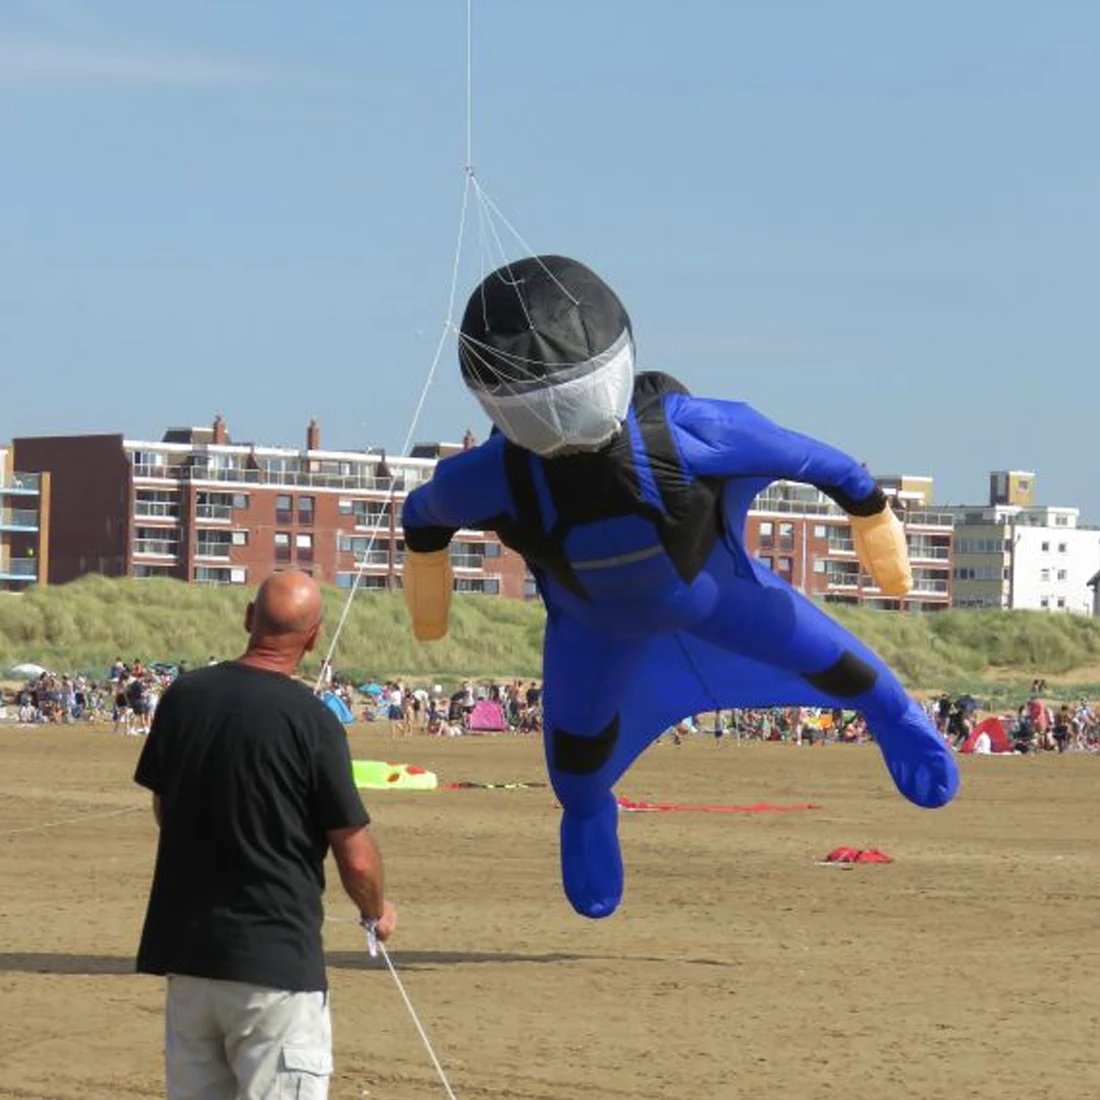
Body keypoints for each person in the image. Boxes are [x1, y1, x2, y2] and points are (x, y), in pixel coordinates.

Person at [401, 254, 958, 919]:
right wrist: (865, 510)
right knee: (576, 772)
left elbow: (424, 517)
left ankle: (894, 718)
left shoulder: (674, 433)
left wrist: (873, 518)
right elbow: (826, 465)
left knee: (850, 673)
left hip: (707, 599)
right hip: (610, 627)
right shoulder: (506, 472)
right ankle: (590, 815)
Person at [134, 570, 396, 1099]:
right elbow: (356, 855)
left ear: (249, 618)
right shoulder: (313, 721)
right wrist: (375, 911)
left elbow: (165, 807)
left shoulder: (183, 696)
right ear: (314, 638)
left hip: (190, 962)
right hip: (273, 967)